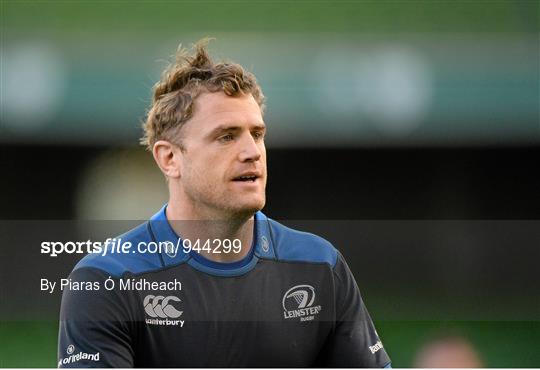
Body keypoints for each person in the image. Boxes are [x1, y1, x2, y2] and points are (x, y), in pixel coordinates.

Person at [58, 39, 391, 367]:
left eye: (257, 134)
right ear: (169, 158)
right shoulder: (107, 280)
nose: (252, 152)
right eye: (226, 136)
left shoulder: (320, 266)